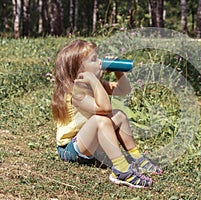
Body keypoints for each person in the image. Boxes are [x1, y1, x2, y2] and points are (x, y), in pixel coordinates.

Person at [51, 39, 162, 189]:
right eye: (94, 59)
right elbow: (104, 108)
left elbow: (123, 90)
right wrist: (93, 80)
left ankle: (137, 158)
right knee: (100, 120)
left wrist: (118, 70)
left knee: (119, 115)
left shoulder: (94, 84)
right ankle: (121, 171)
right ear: (79, 70)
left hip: (89, 144)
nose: (100, 62)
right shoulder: (75, 93)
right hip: (70, 149)